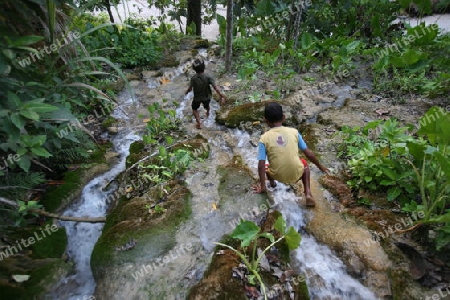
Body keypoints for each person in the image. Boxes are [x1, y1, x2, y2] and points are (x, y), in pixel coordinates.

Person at [252, 102, 329, 207]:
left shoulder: (264, 138)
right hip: (296, 174)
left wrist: (263, 187)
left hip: (278, 176)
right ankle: (308, 193)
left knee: (266, 167)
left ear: (265, 120)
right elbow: (308, 153)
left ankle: (273, 184)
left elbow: (260, 165)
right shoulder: (294, 132)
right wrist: (321, 167)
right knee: (305, 165)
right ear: (283, 117)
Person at [184, 57, 225, 129]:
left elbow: (190, 88)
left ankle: (199, 122)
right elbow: (215, 87)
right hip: (207, 97)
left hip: (197, 98)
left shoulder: (193, 78)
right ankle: (208, 113)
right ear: (204, 67)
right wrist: (221, 95)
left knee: (194, 109)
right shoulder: (208, 77)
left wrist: (186, 92)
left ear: (194, 69)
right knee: (207, 106)